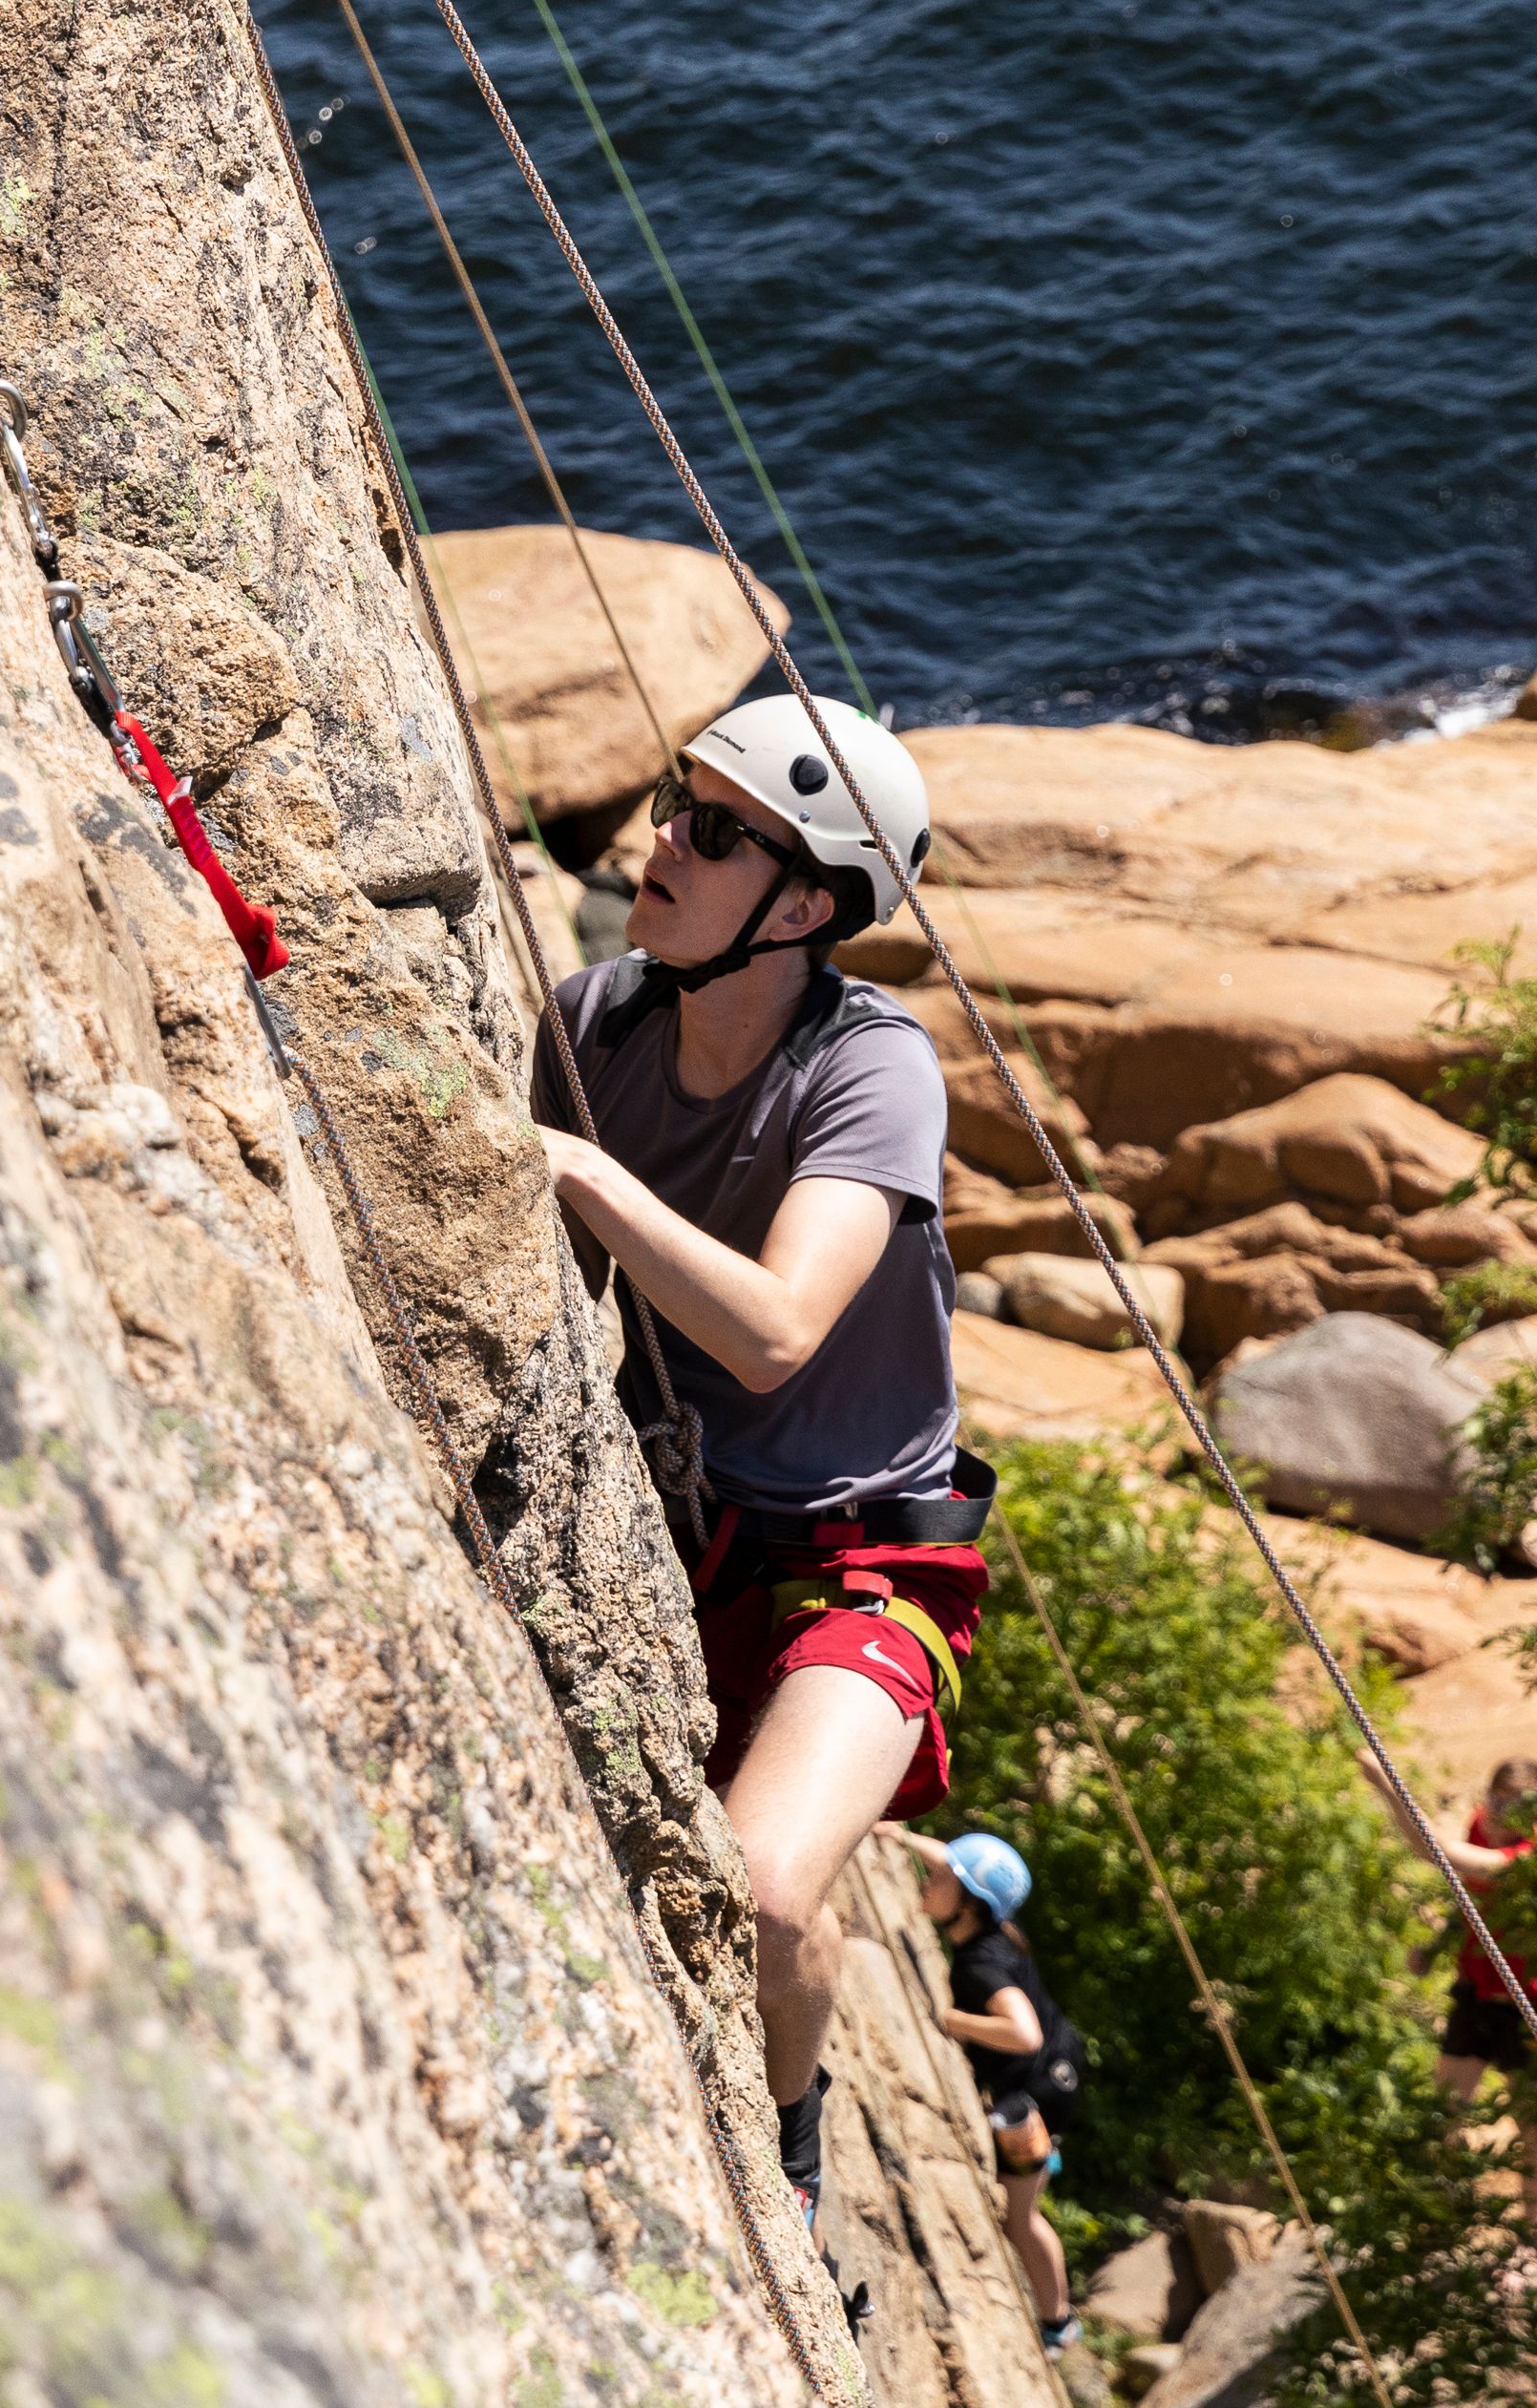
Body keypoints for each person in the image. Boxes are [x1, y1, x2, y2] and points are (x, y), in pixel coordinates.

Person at [531, 690, 978, 2246]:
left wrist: (583, 1168)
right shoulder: (595, 1028)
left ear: (804, 905)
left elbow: (783, 1324)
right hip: (694, 1535)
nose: (665, 842)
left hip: (870, 1558)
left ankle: (792, 2157)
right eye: (676, 804)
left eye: (719, 834)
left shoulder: (873, 1070)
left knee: (770, 1888)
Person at [906, 1828, 1080, 2344]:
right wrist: (893, 1834)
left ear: (968, 1902)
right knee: (1022, 2212)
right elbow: (959, 1864)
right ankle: (1059, 2318)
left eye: (939, 1879)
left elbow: (1022, 2034)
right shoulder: (993, 1925)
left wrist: (951, 2021)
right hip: (1057, 2072)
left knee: (1020, 2220)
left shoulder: (981, 1963)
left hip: (1030, 2101)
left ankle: (1058, 2323)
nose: (928, 1879)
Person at [1427, 1758, 1537, 2231]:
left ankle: (1534, 2233)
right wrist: (1434, 1946)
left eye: (1515, 1805)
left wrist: (1385, 1785)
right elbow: (1467, 1896)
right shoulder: (1479, 1828)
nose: (1501, 1812)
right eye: (1497, 1798)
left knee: (1535, 2129)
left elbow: (1445, 1856)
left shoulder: (1535, 1854)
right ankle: (1444, 2216)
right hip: (1476, 1992)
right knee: (1445, 2109)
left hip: (1527, 2006)